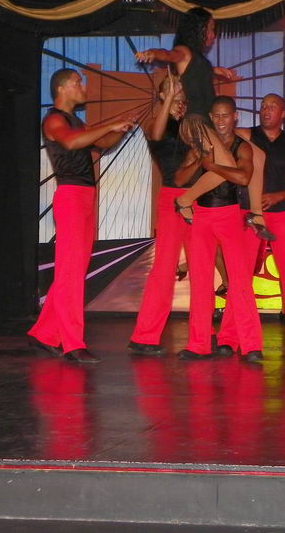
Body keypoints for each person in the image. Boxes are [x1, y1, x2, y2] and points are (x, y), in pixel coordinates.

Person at [135, 7, 272, 241]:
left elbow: (197, 72)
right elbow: (169, 55)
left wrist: (216, 71)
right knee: (227, 167)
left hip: (209, 122)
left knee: (258, 155)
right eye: (210, 29)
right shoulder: (183, 52)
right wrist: (152, 53)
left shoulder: (198, 60)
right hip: (196, 122)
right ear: (198, 29)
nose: (213, 35)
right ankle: (184, 200)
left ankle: (256, 215)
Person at [28, 68, 135, 364]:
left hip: (85, 197)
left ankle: (44, 333)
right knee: (71, 274)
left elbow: (102, 144)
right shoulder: (54, 120)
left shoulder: (76, 121)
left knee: (72, 271)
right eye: (78, 82)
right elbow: (72, 142)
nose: (83, 86)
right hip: (71, 197)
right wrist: (110, 123)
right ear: (62, 88)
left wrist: (119, 129)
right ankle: (72, 343)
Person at [217, 94, 285, 356]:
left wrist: (279, 196)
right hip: (250, 213)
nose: (266, 110)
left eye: (272, 107)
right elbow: (218, 130)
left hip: (281, 214)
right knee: (240, 276)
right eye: (263, 106)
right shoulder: (246, 135)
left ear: (283, 113)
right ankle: (228, 338)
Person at [174, 96, 264, 362]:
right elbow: (178, 178)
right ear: (210, 118)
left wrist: (212, 166)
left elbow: (243, 177)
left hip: (229, 215)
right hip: (202, 216)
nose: (221, 121)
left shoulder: (242, 148)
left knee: (240, 282)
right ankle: (198, 345)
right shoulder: (202, 144)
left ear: (235, 117)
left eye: (225, 116)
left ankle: (251, 346)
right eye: (216, 116)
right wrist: (197, 162)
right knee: (201, 282)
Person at [128, 72, 192, 355]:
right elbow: (156, 134)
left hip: (198, 197)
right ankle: (144, 337)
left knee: (202, 267)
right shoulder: (158, 124)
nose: (179, 90)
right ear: (162, 94)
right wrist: (168, 100)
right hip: (171, 199)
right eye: (172, 87)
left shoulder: (192, 122)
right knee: (164, 268)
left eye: (181, 87)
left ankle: (206, 335)